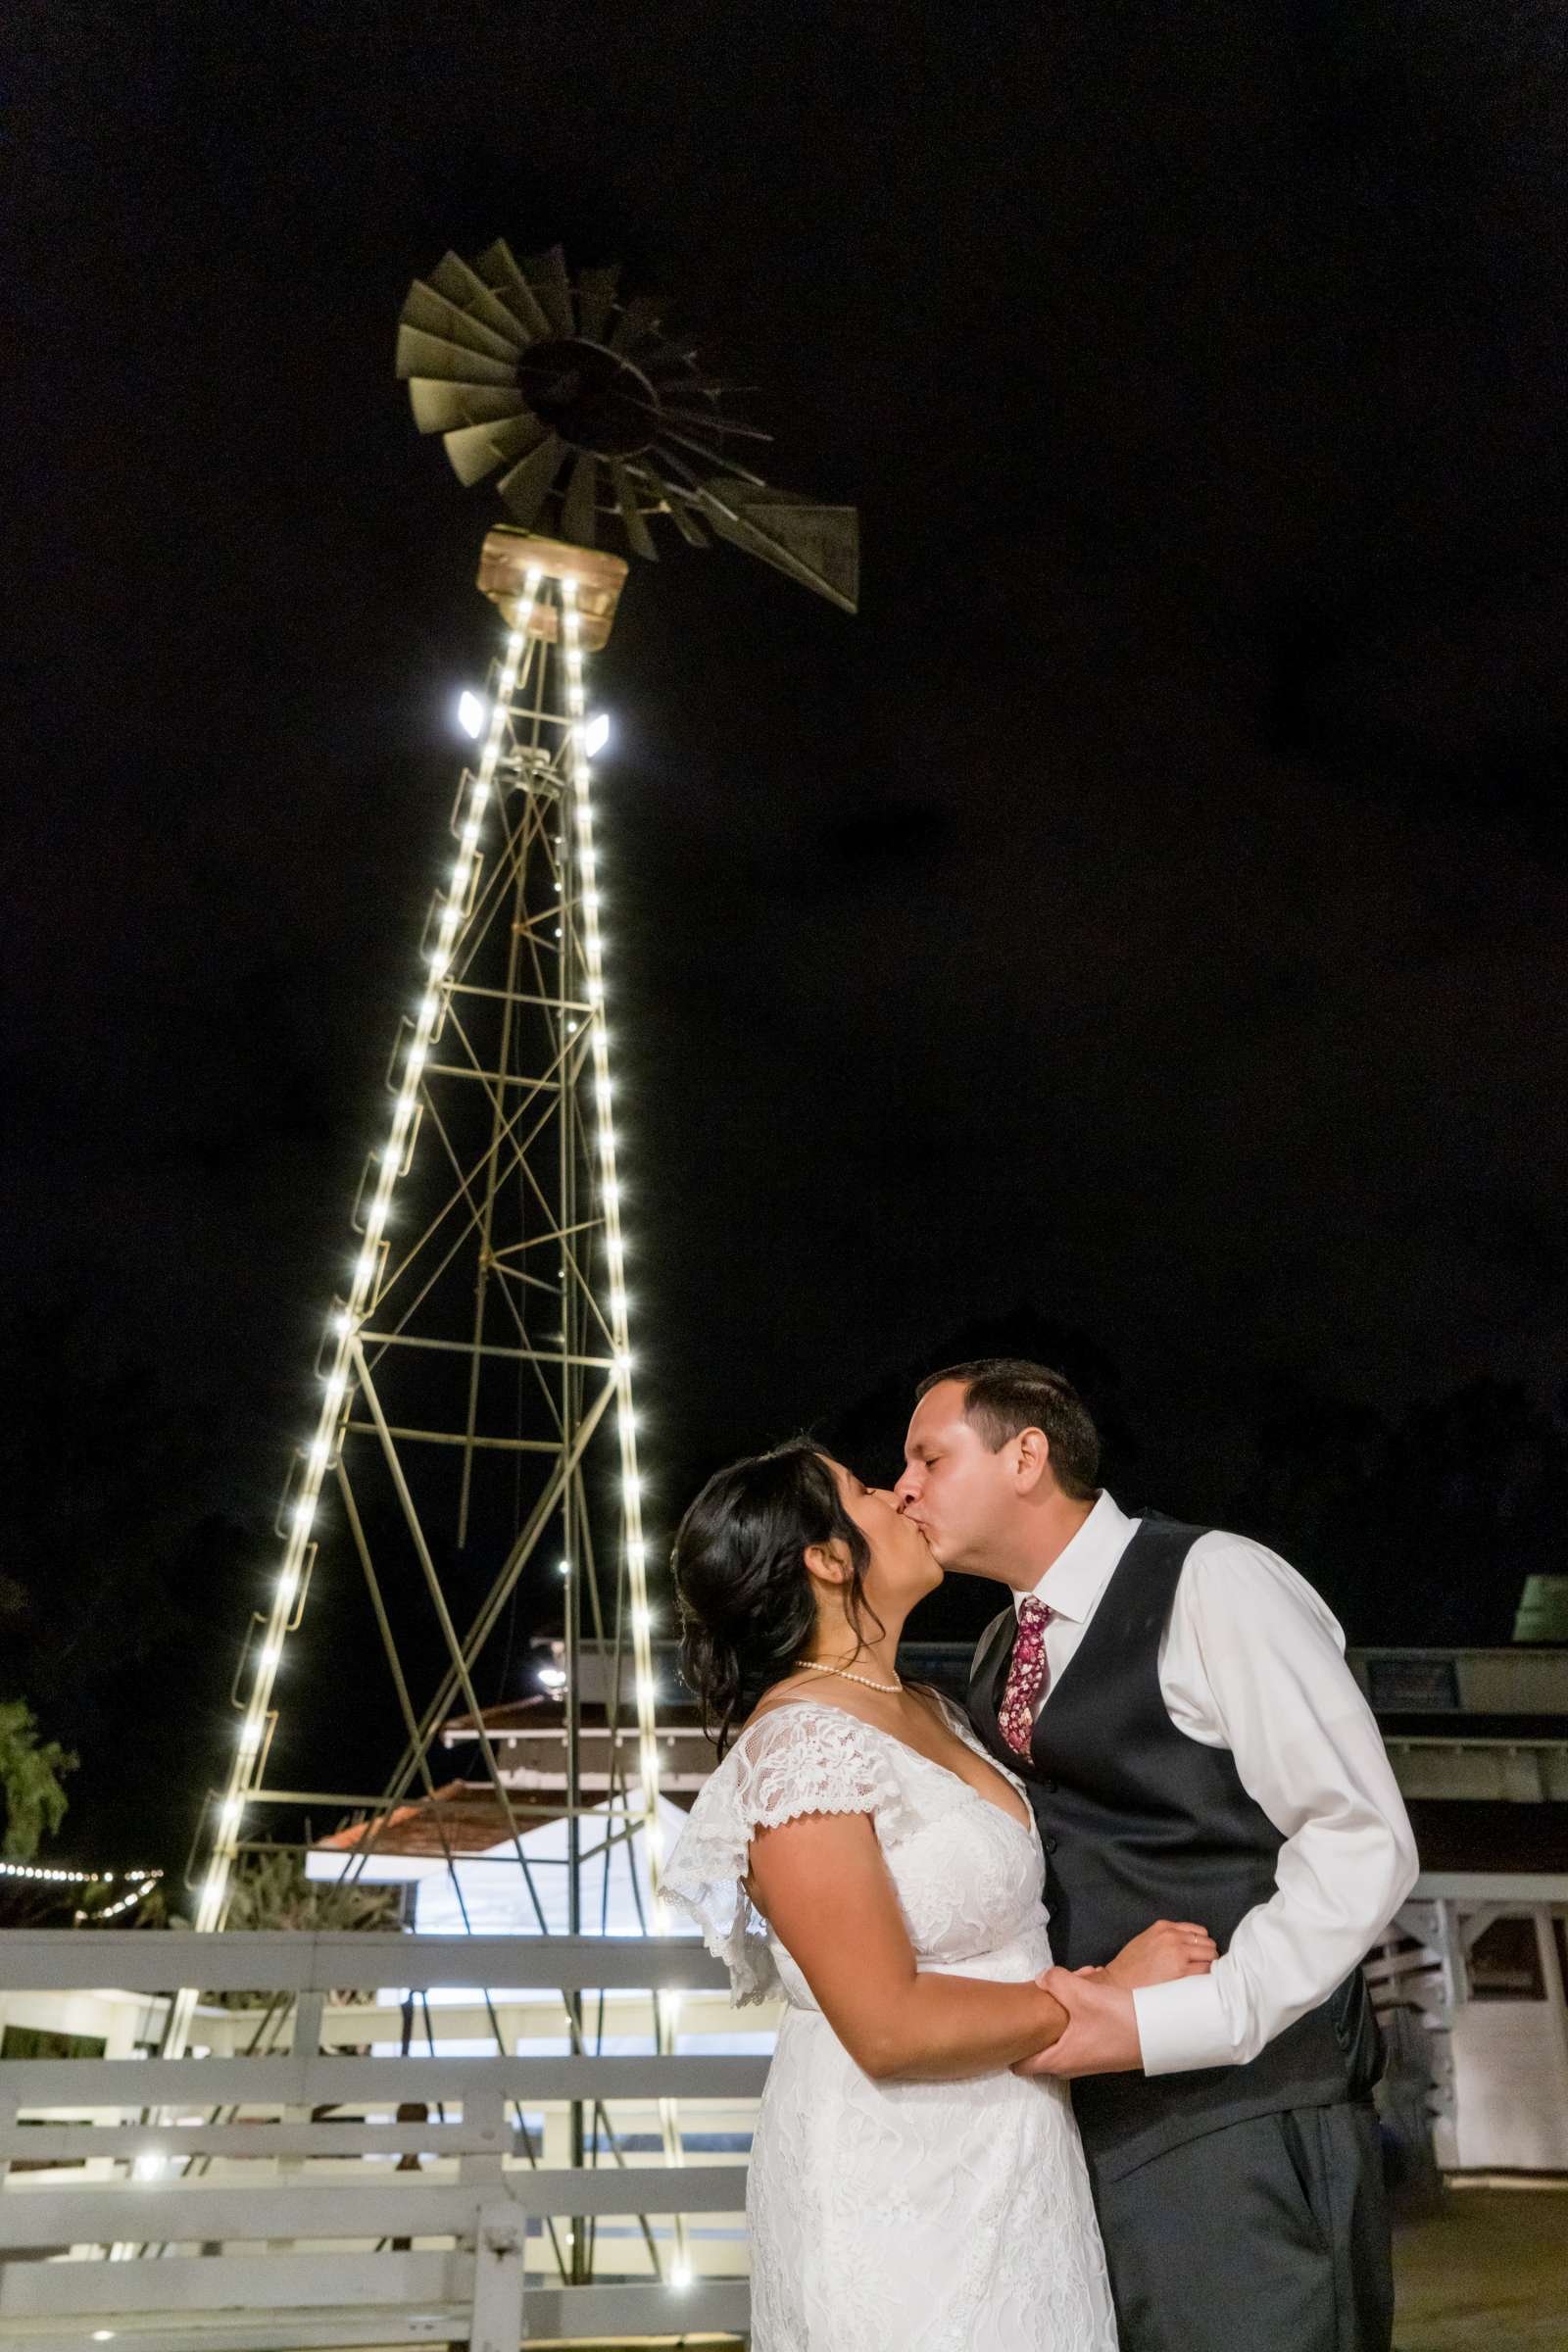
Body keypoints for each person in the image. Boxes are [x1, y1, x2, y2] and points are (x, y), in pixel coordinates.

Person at [895, 1358, 1420, 2352]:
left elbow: (1358, 1837)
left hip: (1245, 2122)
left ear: (1025, 1455)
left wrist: (1189, 2016)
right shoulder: (996, 1650)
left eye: (928, 1454)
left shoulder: (1211, 1580)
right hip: (1086, 2142)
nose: (905, 1486)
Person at [662, 1439, 1218, 2350]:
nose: (902, 1493)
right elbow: (887, 2026)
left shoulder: (934, 1709)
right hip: (898, 2186)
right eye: (867, 1489)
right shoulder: (798, 1750)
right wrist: (1101, 1998)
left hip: (1019, 2162)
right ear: (828, 1558)